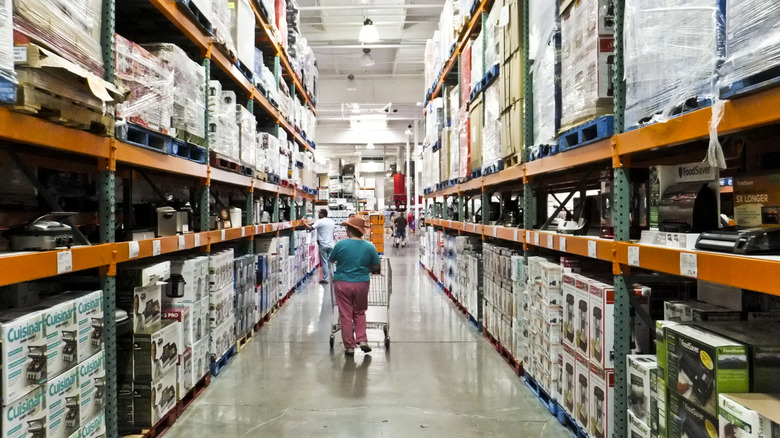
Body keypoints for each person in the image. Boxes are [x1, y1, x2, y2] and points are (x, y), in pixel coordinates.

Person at [329, 216, 381, 356]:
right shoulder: (369, 246)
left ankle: (349, 346)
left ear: (349, 230)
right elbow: (376, 265)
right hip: (361, 283)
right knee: (359, 312)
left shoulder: (340, 245)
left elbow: (331, 259)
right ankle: (362, 340)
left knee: (346, 314)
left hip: (342, 283)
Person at [304, 209, 335, 284]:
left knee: (324, 262)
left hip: (323, 245)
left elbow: (310, 228)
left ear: (322, 214)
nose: (318, 214)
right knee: (331, 262)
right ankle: (334, 277)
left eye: (319, 213)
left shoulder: (320, 221)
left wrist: (304, 223)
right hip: (331, 244)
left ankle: (325, 278)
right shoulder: (331, 222)